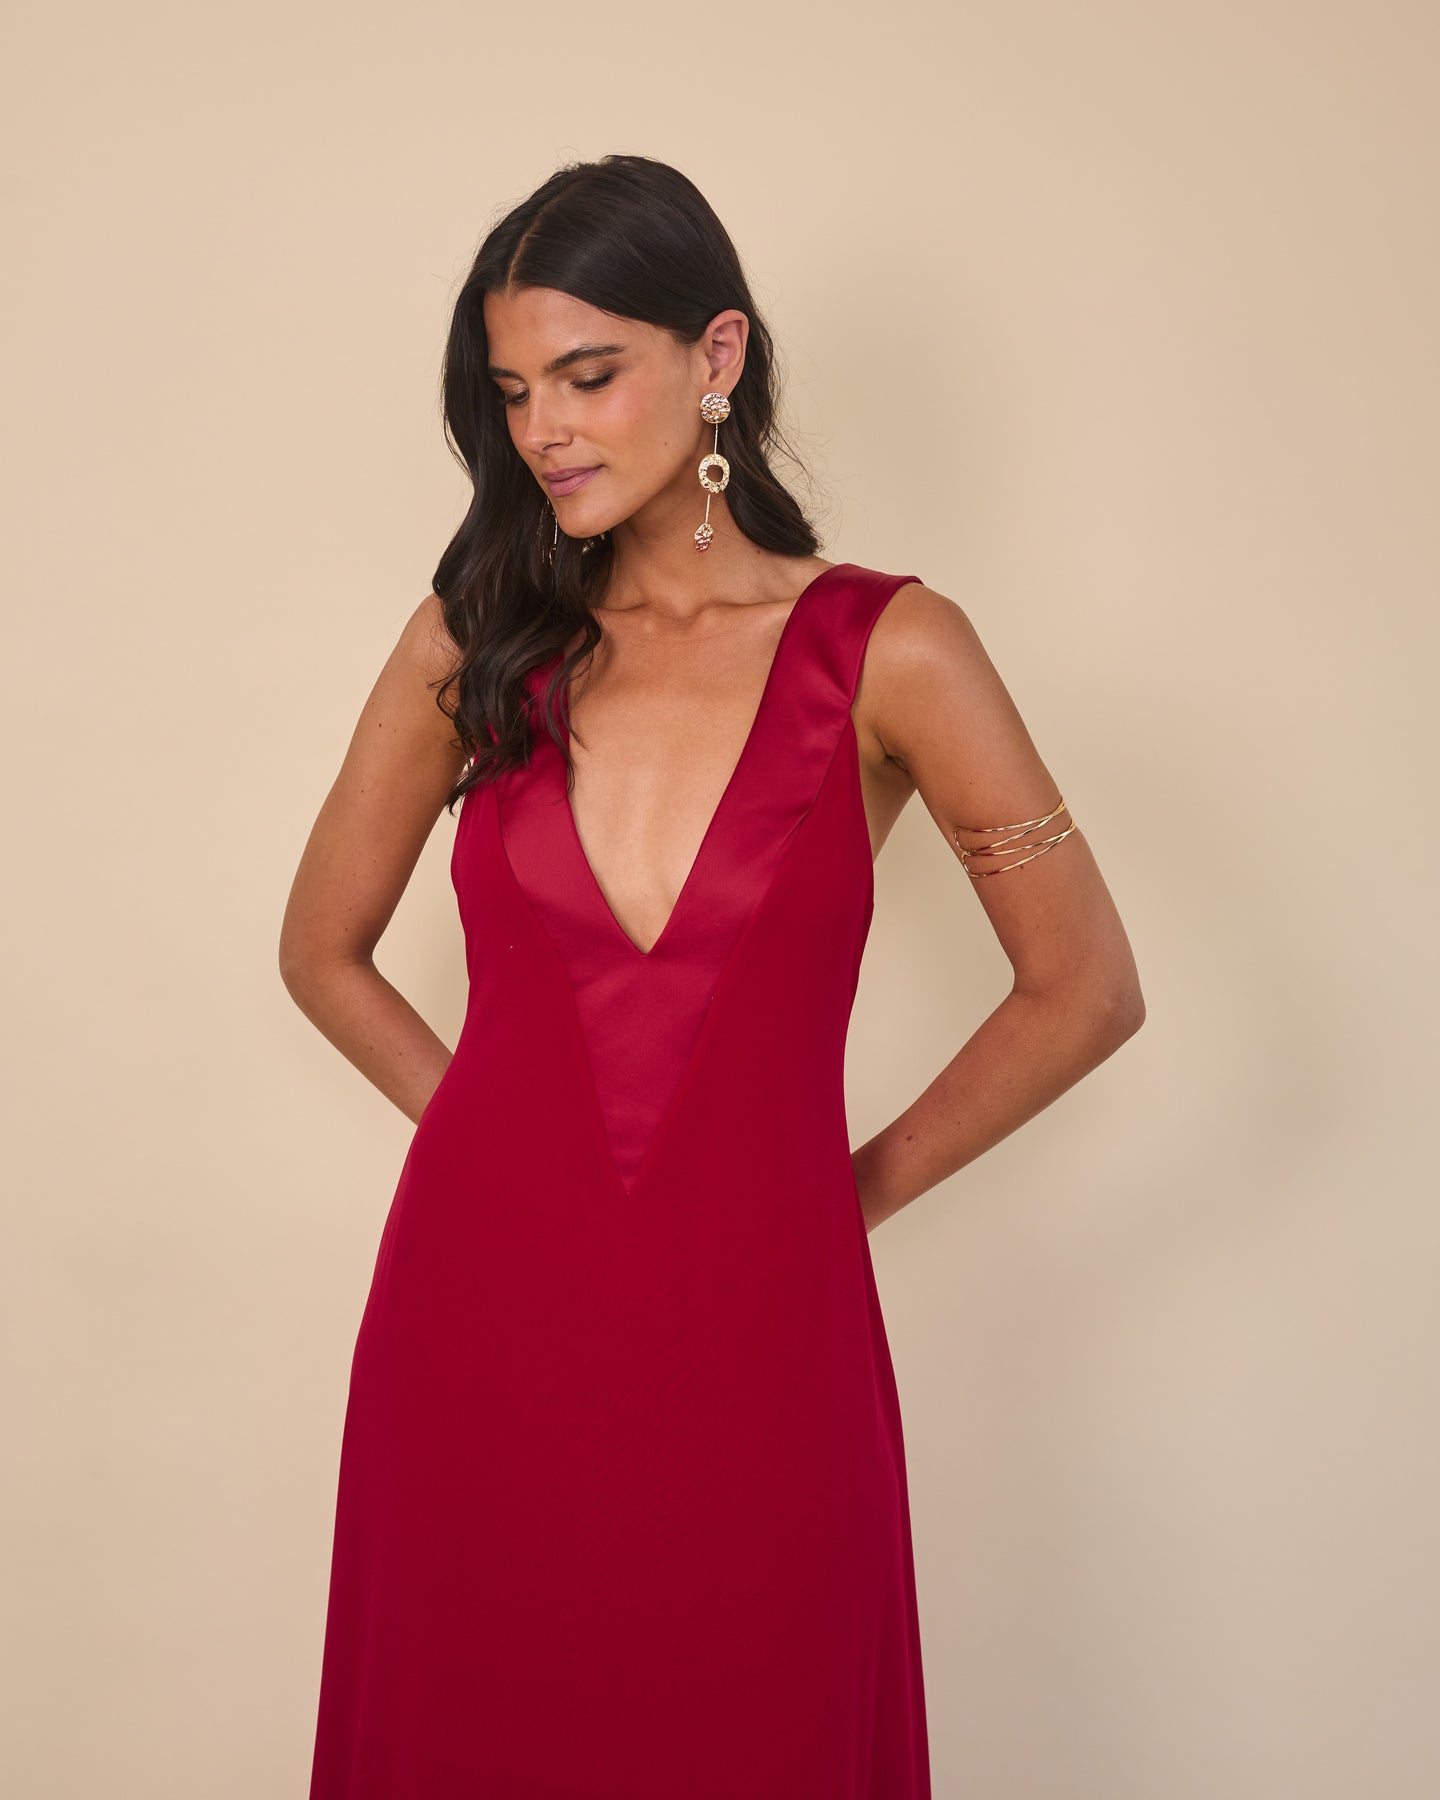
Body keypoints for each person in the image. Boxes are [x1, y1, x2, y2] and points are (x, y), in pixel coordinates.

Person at [280, 152, 1145, 1799]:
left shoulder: (895, 649)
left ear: (718, 357)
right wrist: (493, 1144)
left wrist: (841, 1193)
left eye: (588, 375)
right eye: (514, 392)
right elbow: (319, 950)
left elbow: (1084, 988)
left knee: (758, 1722)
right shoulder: (473, 639)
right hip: (476, 1326)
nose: (544, 430)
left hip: (765, 1331)